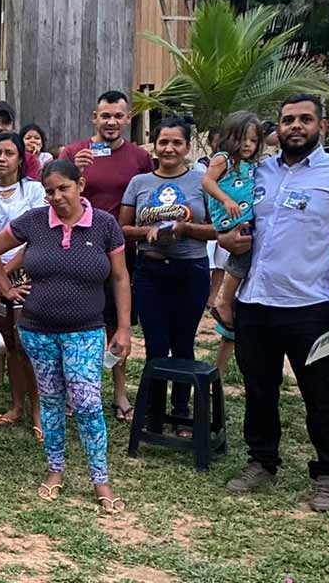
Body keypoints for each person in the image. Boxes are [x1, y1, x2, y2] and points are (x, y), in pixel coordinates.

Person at [218, 94, 329, 511]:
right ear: (278, 126)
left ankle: (328, 473)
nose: (296, 126)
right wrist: (227, 243)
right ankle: (262, 460)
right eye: (288, 120)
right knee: (259, 389)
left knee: (320, 393)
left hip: (310, 306)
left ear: (323, 126)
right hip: (255, 301)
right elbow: (235, 229)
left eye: (305, 119)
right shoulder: (256, 173)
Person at [0, 159, 131, 513]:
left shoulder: (105, 224)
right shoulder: (34, 221)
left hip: (86, 329)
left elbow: (120, 277)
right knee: (50, 402)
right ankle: (55, 470)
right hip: (38, 330)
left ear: (81, 185)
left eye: (64, 188)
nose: (57, 197)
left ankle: (100, 479)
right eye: (49, 191)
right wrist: (6, 288)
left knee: (87, 403)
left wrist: (124, 327)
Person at [60, 90, 153, 423]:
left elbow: (148, 199)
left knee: (116, 324)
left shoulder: (140, 158)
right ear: (94, 118)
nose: (111, 122)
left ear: (128, 119)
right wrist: (73, 170)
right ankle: (75, 391)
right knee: (75, 324)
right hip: (75, 251)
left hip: (120, 253)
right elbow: (56, 194)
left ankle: (119, 391)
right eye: (105, 116)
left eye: (118, 116)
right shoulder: (73, 152)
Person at [119, 117, 216, 437]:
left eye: (176, 142)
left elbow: (217, 229)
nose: (169, 148)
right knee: (156, 345)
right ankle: (155, 413)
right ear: (155, 147)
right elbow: (122, 228)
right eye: (163, 142)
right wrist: (146, 233)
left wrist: (186, 229)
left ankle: (181, 412)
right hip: (150, 272)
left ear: (187, 147)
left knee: (183, 343)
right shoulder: (139, 182)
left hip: (191, 271)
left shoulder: (202, 182)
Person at [0, 133, 44, 437]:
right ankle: (17, 406)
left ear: (21, 159)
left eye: (9, 153)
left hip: (24, 273)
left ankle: (39, 410)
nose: (2, 158)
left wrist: (3, 272)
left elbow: (36, 236)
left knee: (28, 344)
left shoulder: (33, 190)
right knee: (10, 344)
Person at [203, 112, 262, 335]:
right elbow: (207, 181)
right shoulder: (223, 159)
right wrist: (225, 200)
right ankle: (224, 301)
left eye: (253, 140)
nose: (247, 144)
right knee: (242, 257)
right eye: (242, 138)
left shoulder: (249, 164)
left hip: (243, 217)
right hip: (229, 218)